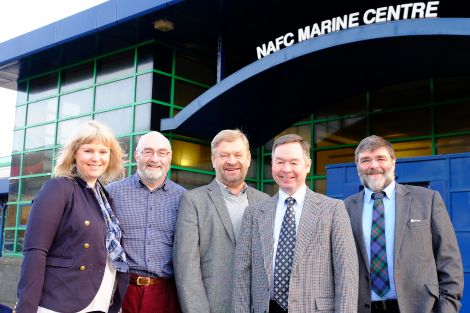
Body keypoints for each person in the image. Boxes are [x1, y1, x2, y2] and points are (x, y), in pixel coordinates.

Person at [232, 134, 358, 313]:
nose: (286, 169)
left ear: (307, 165)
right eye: (280, 162)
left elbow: (347, 275)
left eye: (294, 162)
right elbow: (242, 276)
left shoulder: (333, 209)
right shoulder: (254, 213)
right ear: (272, 164)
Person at [16, 120, 129, 313]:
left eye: (103, 152)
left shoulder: (105, 197)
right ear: (74, 154)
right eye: (88, 150)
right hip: (61, 303)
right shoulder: (58, 188)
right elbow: (35, 251)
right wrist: (26, 308)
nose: (96, 158)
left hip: (99, 301)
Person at [344, 135, 464, 313]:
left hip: (420, 307)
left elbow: (448, 260)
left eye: (380, 158)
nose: (373, 166)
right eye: (365, 160)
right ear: (357, 166)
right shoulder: (344, 208)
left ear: (393, 162)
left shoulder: (427, 200)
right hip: (363, 308)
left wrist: (447, 308)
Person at [173, 129, 269, 313]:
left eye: (238, 154)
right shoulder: (193, 202)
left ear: (248, 158)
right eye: (224, 155)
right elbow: (186, 268)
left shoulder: (266, 202)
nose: (232, 161)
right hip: (213, 306)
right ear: (213, 160)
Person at [106, 131, 186, 313]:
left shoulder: (184, 198)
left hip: (167, 294)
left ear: (170, 158)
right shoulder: (112, 193)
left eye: (162, 153)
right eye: (148, 152)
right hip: (121, 292)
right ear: (137, 156)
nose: (155, 158)